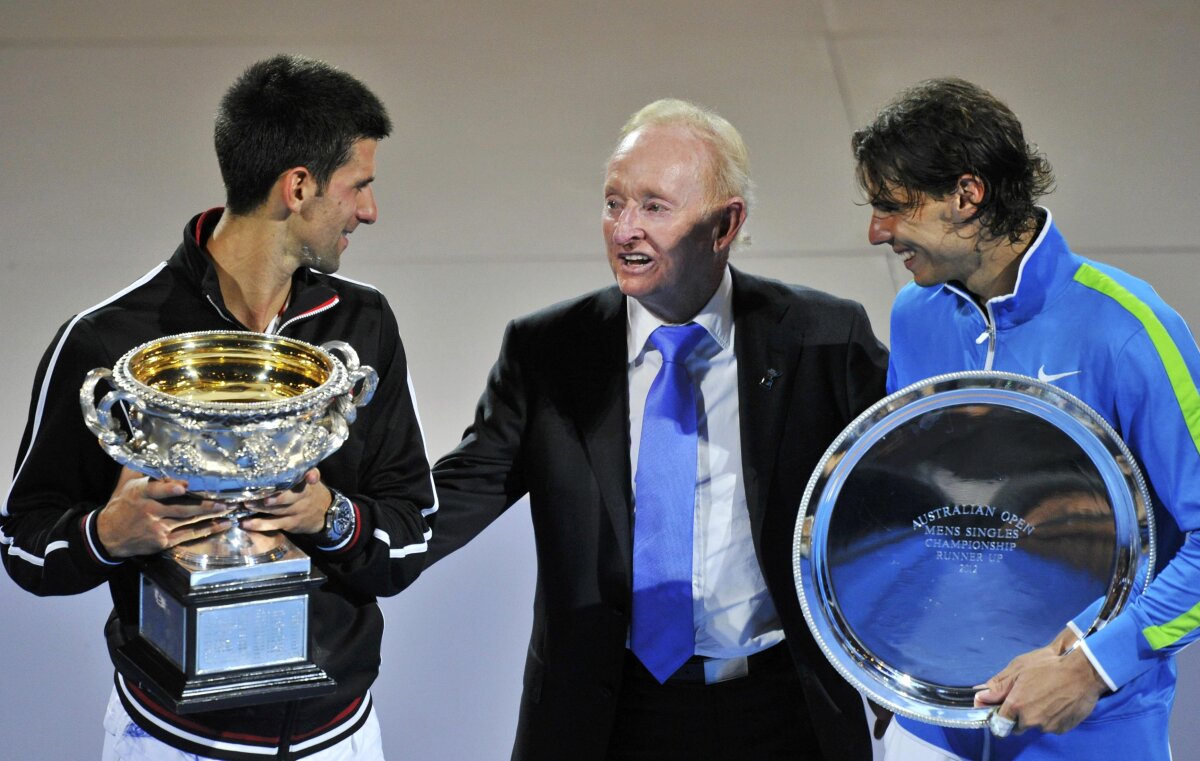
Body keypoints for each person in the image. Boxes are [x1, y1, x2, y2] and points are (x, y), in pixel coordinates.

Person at [1, 54, 436, 760]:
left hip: (338, 740)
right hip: (170, 740)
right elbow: (23, 542)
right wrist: (107, 533)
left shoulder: (365, 326)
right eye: (360, 185)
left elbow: (412, 529)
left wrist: (330, 517)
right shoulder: (109, 340)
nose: (369, 211)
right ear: (299, 186)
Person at [428, 98, 888, 761]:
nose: (624, 229)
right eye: (614, 203)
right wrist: (337, 525)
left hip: (782, 709)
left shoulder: (823, 338)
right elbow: (456, 495)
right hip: (605, 715)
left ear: (725, 223)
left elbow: (898, 506)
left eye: (654, 206)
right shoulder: (548, 349)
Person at [853, 76, 1199, 760]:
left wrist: (1093, 666)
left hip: (1087, 729)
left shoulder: (1128, 330)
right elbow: (906, 506)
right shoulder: (915, 317)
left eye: (892, 207)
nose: (875, 232)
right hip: (931, 727)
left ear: (967, 194)